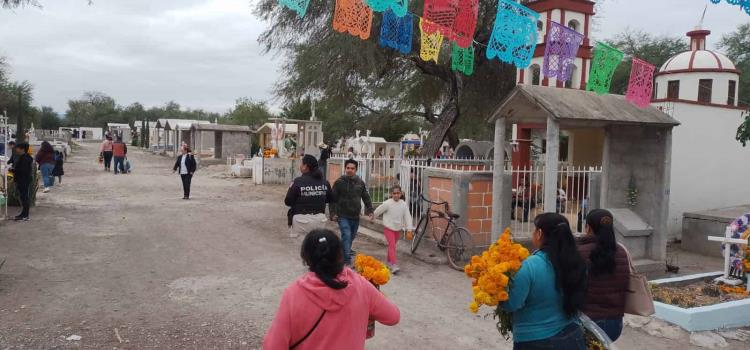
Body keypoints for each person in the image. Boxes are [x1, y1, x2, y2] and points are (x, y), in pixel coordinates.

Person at [263, 230, 400, 350]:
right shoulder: (361, 285)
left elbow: (273, 346)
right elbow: (393, 316)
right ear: (340, 255)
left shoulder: (293, 294)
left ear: (306, 259)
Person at [501, 213, 588, 349]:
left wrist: (498, 291)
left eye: (534, 230)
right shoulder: (576, 262)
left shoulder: (529, 266)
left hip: (536, 341)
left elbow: (511, 304)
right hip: (572, 336)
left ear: (540, 233)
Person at [577, 209, 629, 341]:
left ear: (588, 227)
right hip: (615, 323)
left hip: (587, 322)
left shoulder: (580, 252)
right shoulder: (622, 251)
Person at [331, 159, 374, 266]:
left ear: (356, 170)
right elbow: (332, 199)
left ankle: (340, 252)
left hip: (355, 216)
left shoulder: (360, 183)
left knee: (351, 237)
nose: (350, 170)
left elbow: (366, 197)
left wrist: (370, 210)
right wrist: (333, 213)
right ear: (345, 169)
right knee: (346, 234)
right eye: (348, 168)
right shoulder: (339, 182)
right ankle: (346, 261)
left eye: (352, 168)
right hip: (342, 215)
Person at [285, 155, 332, 238]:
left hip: (301, 221)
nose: (300, 166)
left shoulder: (298, 181)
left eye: (301, 164)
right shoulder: (325, 182)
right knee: (316, 248)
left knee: (303, 248)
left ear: (305, 166)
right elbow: (330, 199)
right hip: (320, 220)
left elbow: (288, 201)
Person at [372, 184, 413, 274]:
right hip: (388, 228)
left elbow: (408, 217)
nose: (396, 195)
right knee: (392, 246)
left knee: (392, 246)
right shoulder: (387, 203)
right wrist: (373, 216)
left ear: (401, 193)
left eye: (398, 193)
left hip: (397, 229)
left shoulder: (403, 204)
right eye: (394, 193)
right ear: (391, 194)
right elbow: (379, 210)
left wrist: (409, 229)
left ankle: (388, 262)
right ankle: (394, 265)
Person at [12, 143, 34, 221]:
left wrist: (13, 170)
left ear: (22, 149)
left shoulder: (25, 158)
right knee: (23, 197)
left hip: (23, 180)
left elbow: (23, 170)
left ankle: (25, 215)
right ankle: (23, 214)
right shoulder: (24, 157)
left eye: (17, 148)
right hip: (23, 179)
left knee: (24, 197)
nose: (16, 149)